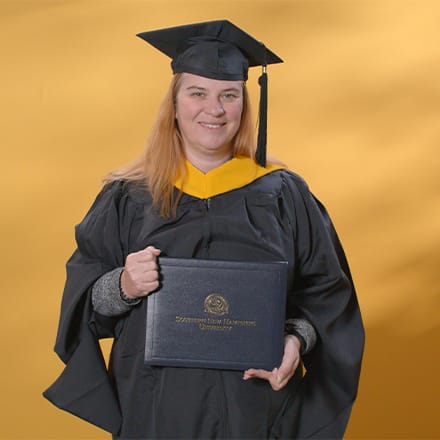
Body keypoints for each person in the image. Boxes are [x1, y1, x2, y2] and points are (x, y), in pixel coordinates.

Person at [44, 20, 364, 439]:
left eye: (229, 95)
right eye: (198, 93)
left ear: (244, 106)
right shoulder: (127, 197)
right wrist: (123, 285)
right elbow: (85, 307)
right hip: (155, 406)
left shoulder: (285, 193)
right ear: (174, 105)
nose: (214, 110)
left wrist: (296, 342)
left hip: (256, 406)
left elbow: (325, 295)